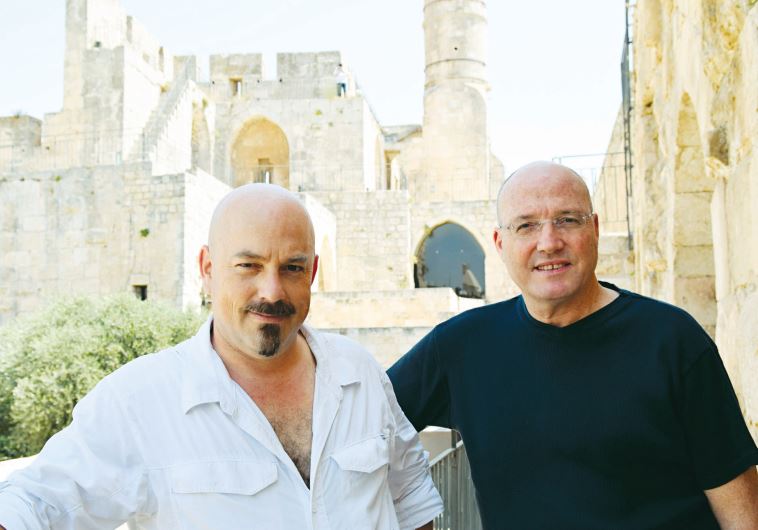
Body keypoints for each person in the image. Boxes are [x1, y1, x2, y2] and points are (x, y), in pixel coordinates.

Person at [0, 184, 442, 529]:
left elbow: (409, 497)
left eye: (291, 267)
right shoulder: (141, 399)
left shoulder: (359, 373)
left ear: (312, 272)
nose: (271, 291)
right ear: (208, 269)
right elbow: (38, 502)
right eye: (249, 265)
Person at [388, 161, 758, 529]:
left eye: (567, 220)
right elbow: (364, 421)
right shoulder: (460, 347)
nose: (549, 242)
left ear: (594, 229)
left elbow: (742, 512)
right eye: (526, 225)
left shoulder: (673, 340)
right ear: (500, 243)